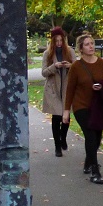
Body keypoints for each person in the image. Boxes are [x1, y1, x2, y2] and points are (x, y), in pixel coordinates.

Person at [62, 33, 103, 185]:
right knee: (91, 135)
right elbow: (70, 89)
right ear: (81, 49)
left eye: (92, 43)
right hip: (81, 106)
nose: (91, 46)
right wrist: (66, 110)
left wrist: (102, 86)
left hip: (98, 106)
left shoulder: (101, 64)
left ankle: (89, 161)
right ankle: (95, 171)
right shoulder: (76, 66)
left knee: (97, 137)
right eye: (87, 44)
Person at [40, 26, 73, 156]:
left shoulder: (69, 51)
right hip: (53, 89)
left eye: (61, 40)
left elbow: (76, 67)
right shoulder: (47, 54)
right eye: (56, 41)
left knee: (66, 115)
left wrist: (69, 66)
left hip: (66, 87)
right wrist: (54, 66)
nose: (59, 43)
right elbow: (44, 72)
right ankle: (57, 146)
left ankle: (63, 137)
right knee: (56, 116)